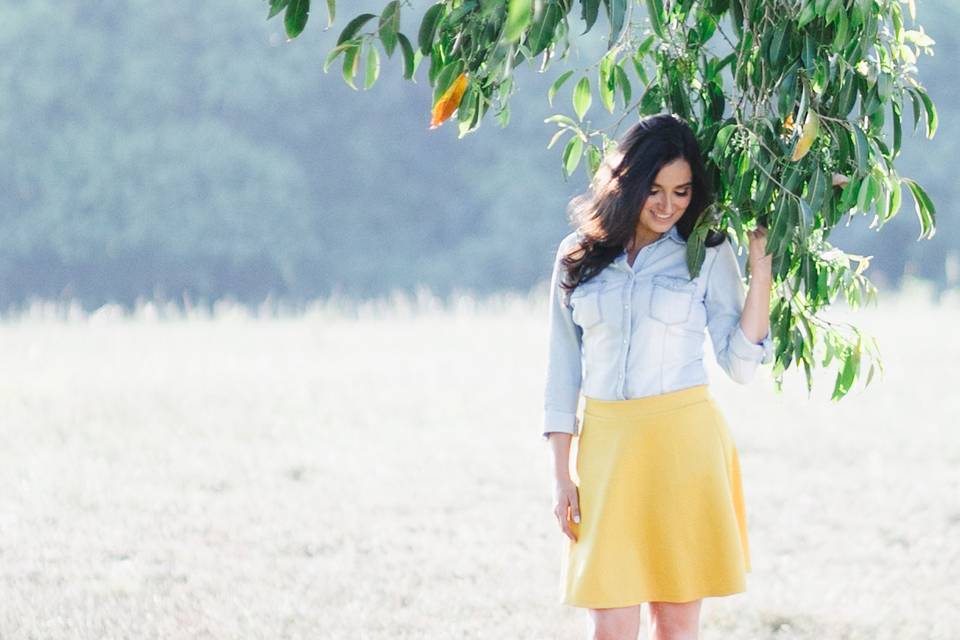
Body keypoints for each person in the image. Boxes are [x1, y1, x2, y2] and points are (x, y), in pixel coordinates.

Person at [542, 113, 774, 640]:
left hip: (683, 450)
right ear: (626, 183)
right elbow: (562, 374)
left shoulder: (706, 254)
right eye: (655, 189)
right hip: (607, 453)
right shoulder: (576, 256)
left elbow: (740, 364)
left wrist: (761, 270)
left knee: (674, 626)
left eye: (682, 191)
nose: (669, 205)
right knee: (610, 627)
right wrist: (561, 475)